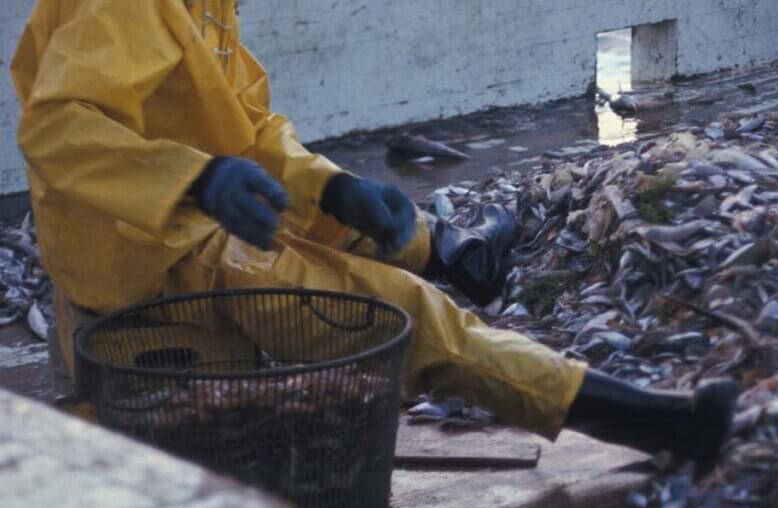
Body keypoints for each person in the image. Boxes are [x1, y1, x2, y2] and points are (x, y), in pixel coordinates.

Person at [11, 0, 736, 475]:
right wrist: (193, 181)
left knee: (343, 215)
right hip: (156, 254)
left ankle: (450, 248)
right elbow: (56, 127)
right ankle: (656, 423)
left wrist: (334, 188)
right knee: (407, 316)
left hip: (187, 214)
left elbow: (251, 130)